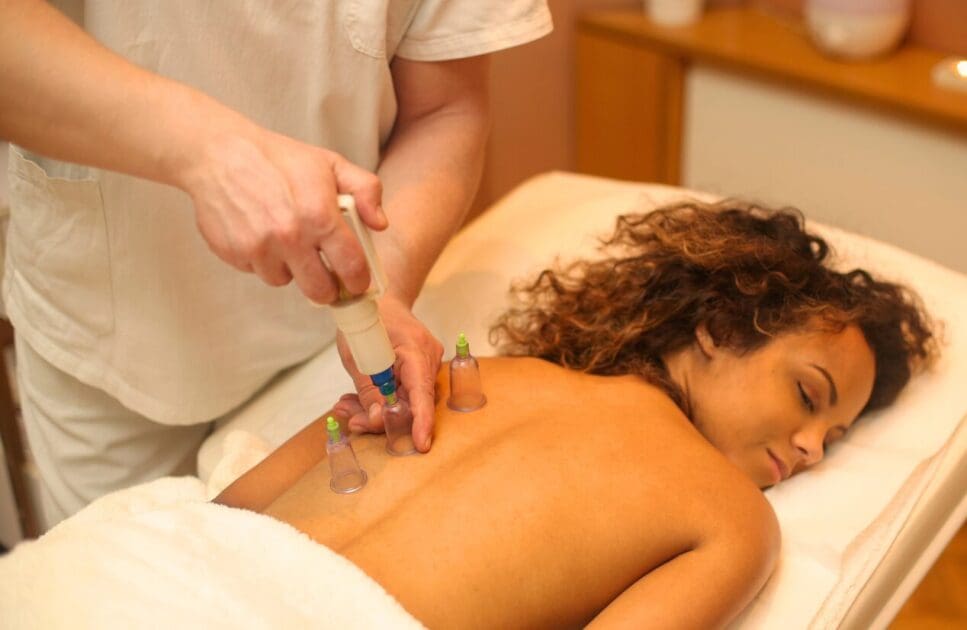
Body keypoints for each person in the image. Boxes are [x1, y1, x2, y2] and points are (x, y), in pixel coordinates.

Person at [215, 201, 936, 628]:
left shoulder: (465, 377)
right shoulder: (732, 517)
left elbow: (224, 514)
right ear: (719, 327)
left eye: (833, 439)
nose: (812, 449)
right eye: (807, 396)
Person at [0, 0, 552, 527]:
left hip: (320, 346)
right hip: (111, 335)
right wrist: (204, 149)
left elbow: (443, 110)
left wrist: (385, 288)